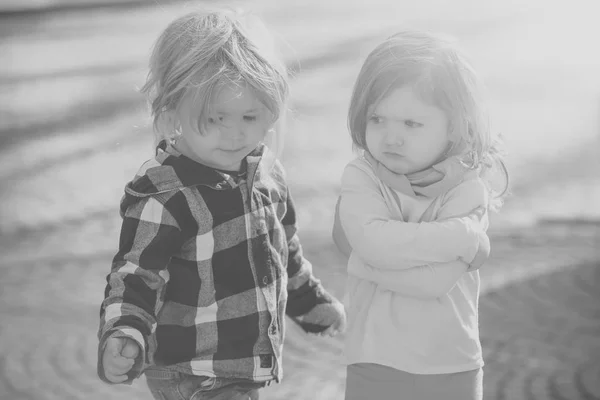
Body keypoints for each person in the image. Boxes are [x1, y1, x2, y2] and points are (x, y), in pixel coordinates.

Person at [97, 8, 346, 400]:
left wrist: (308, 301)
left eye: (250, 116)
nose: (234, 134)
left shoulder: (267, 176)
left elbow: (283, 251)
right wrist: (124, 330)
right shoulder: (166, 195)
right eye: (215, 119)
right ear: (174, 110)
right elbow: (135, 276)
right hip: (192, 372)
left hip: (240, 368)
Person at [332, 30, 509, 400]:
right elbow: (373, 245)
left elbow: (432, 283)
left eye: (411, 124)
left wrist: (362, 259)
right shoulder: (362, 175)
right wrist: (461, 237)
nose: (391, 137)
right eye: (377, 118)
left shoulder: (468, 186)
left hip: (451, 363)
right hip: (375, 357)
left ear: (455, 126)